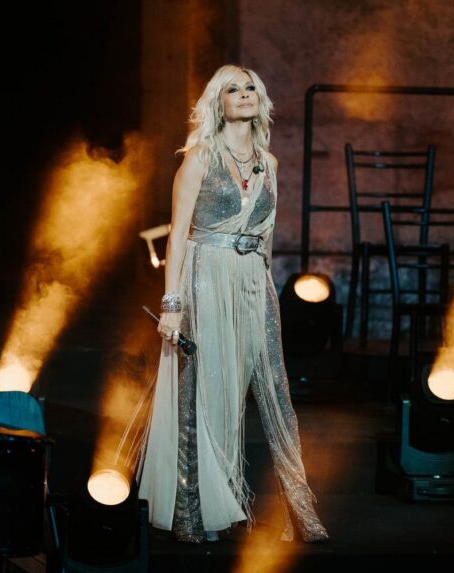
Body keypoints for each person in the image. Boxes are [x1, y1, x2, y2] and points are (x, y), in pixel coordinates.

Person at [136, 65, 327, 544]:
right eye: (233, 90)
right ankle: (195, 511)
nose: (244, 95)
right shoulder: (199, 158)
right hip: (205, 276)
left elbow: (267, 237)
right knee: (205, 387)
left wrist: (265, 289)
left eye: (250, 88)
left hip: (251, 281)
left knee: (272, 387)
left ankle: (300, 508)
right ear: (217, 104)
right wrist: (172, 304)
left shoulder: (269, 163)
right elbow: (177, 235)